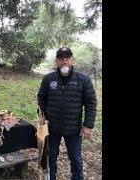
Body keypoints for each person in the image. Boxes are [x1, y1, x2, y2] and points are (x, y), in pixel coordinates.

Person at [37, 47, 97, 180]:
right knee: (50, 158)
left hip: (73, 129)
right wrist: (42, 118)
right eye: (61, 58)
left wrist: (88, 126)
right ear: (56, 62)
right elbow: (40, 98)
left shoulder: (83, 80)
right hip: (51, 128)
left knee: (76, 160)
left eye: (67, 58)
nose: (64, 61)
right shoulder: (48, 79)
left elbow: (91, 102)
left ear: (72, 60)